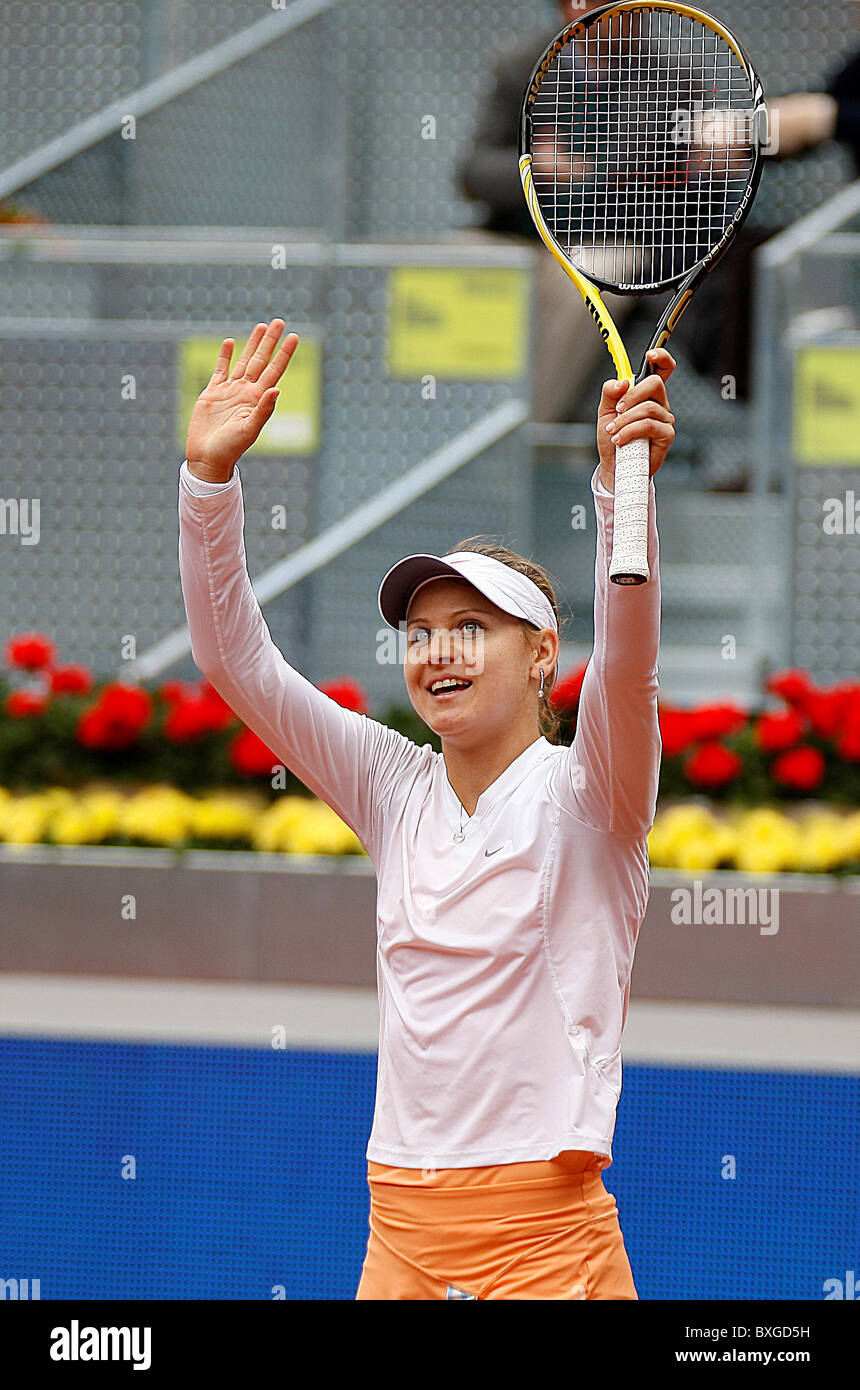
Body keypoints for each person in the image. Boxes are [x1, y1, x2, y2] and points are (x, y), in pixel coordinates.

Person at [178, 318, 676, 1300]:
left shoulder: (593, 792)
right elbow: (233, 661)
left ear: (539, 655)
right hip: (398, 1227)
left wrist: (623, 491)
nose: (434, 651)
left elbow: (626, 666)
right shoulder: (390, 783)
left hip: (544, 1240)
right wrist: (207, 484)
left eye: (469, 629)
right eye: (417, 631)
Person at [456, 0, 640, 423]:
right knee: (451, 258)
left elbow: (674, 182)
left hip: (609, 240)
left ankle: (528, 430)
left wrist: (588, 175)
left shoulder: (672, 74)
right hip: (517, 236)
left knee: (593, 281)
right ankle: (455, 423)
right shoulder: (522, 63)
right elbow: (473, 173)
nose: (615, 13)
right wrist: (537, 168)